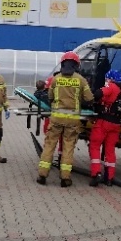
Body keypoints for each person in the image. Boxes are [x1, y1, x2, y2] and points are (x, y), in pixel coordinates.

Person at [37, 51, 93, 187]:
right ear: (76, 65)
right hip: (72, 120)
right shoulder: (81, 80)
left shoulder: (56, 79)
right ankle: (65, 178)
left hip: (56, 118)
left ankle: (42, 175)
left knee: (49, 145)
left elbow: (49, 96)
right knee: (68, 148)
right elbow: (89, 98)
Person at [88, 69, 121, 187]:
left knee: (94, 146)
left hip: (104, 121)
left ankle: (96, 174)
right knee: (110, 150)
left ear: (111, 79)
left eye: (107, 79)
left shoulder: (112, 87)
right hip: (116, 124)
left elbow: (98, 94)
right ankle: (109, 178)